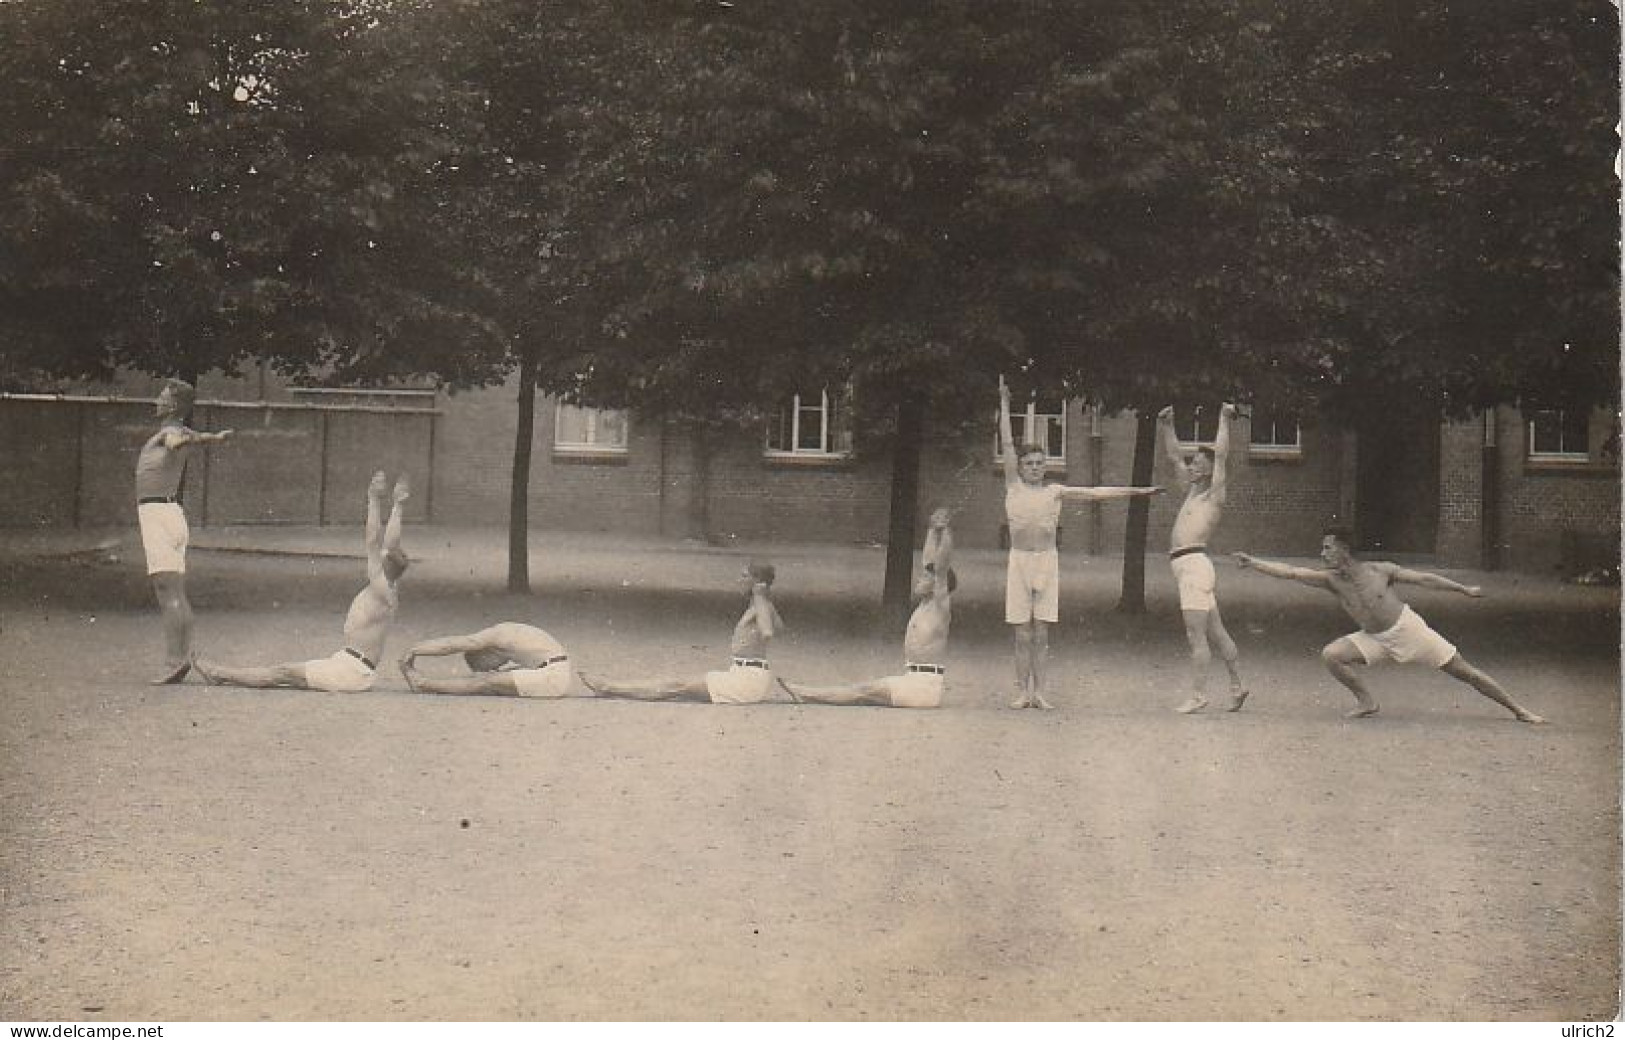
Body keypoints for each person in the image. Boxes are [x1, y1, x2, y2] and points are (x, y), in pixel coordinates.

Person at [1233, 527, 1545, 723]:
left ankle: (1519, 710)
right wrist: (1254, 563)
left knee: (1466, 673)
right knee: (1331, 655)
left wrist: (1464, 590)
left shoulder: (1379, 570)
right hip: (1375, 639)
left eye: (1327, 547)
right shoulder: (1330, 580)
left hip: (1410, 631)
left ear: (1343, 548)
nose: (1322, 552)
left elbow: (1425, 579)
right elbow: (1290, 572)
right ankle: (1367, 702)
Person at [999, 378, 1162, 709]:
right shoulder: (1013, 487)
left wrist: (1139, 491)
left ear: (1046, 467)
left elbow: (1095, 493)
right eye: (1028, 463)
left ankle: (1041, 692)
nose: (1033, 468)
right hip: (1019, 562)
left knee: (1041, 633)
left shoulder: (1054, 491)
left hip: (1046, 561)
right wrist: (1004, 404)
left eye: (1039, 463)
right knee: (1021, 634)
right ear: (1020, 467)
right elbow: (1006, 441)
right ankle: (1021, 692)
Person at [194, 472, 410, 693]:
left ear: (386, 565)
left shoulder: (382, 587)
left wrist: (377, 500)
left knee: (283, 672)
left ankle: (219, 673)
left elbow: (376, 542)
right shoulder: (385, 582)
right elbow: (384, 543)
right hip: (347, 663)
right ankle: (220, 674)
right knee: (283, 672)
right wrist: (395, 505)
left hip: (353, 672)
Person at [779, 507, 955, 708]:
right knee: (861, 693)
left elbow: (941, 568)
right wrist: (932, 530)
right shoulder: (924, 606)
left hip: (924, 687)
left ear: (938, 586)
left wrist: (946, 530)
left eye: (925, 579)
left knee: (862, 690)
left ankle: (806, 693)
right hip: (912, 679)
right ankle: (807, 693)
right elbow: (929, 563)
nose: (919, 579)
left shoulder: (939, 606)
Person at [579, 560, 785, 704]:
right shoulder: (765, 604)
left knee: (676, 685)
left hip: (746, 680)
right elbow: (780, 628)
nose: (739, 580)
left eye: (744, 576)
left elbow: (768, 631)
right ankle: (611, 687)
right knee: (678, 684)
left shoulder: (760, 603)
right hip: (744, 674)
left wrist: (759, 597)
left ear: (757, 581)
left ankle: (609, 687)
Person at [136, 379, 233, 684]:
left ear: (174, 405)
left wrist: (187, 441)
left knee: (167, 591)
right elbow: (197, 436)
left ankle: (174, 660)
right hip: (171, 514)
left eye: (162, 397)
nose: (157, 401)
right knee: (175, 590)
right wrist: (214, 439)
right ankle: (181, 657)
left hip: (158, 515)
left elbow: (176, 441)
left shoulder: (170, 432)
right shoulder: (182, 431)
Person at [1157, 403, 1249, 714]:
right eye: (1192, 463)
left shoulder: (1213, 496)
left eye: (1197, 463)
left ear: (1209, 469)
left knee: (1195, 635)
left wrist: (1223, 417)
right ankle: (1238, 685)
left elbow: (1221, 454)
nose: (1191, 467)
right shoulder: (1191, 491)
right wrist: (1166, 425)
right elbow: (1172, 457)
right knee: (1217, 632)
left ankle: (1198, 695)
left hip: (1194, 567)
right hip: (1190, 569)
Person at [399, 623, 573, 699]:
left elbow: (452, 645)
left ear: (486, 653)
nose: (496, 667)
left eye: (488, 666)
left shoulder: (497, 636)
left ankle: (423, 684)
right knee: (495, 681)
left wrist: (415, 649)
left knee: (484, 683)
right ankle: (426, 684)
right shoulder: (508, 632)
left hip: (552, 676)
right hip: (555, 671)